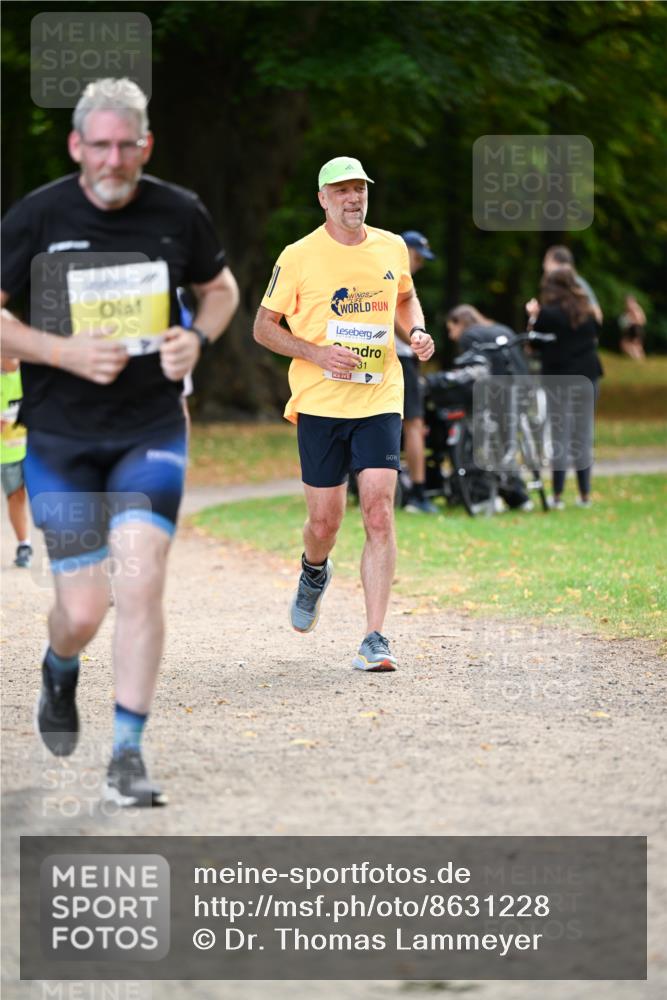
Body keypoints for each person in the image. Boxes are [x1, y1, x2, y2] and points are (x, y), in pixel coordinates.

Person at [0, 78, 239, 806]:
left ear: (145, 146)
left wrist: (195, 340)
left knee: (140, 579)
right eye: (97, 146)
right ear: (77, 146)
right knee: (82, 611)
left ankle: (127, 754)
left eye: (124, 146)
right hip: (63, 440)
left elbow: (221, 289)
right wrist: (59, 351)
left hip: (150, 429)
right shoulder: (38, 216)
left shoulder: (177, 212)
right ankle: (59, 665)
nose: (111, 160)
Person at [253, 156, 434, 672]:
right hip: (320, 402)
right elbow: (263, 328)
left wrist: (415, 331)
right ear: (323, 200)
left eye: (360, 189)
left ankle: (375, 636)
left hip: (379, 394)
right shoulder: (298, 256)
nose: (354, 198)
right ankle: (314, 569)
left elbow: (406, 298)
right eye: (343, 191)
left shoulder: (391, 246)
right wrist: (315, 353)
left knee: (378, 509)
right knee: (324, 521)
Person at [525, 266, 603, 509]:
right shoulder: (588, 311)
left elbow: (533, 345)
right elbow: (596, 335)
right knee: (583, 435)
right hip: (588, 376)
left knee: (560, 434)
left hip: (559, 378)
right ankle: (584, 494)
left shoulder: (548, 314)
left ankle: (558, 495)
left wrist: (532, 318)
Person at [396, 231, 438, 514]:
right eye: (417, 257)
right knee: (414, 424)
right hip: (399, 357)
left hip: (390, 358)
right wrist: (415, 340)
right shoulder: (393, 275)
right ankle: (417, 492)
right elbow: (389, 317)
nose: (419, 264)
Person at [0, 359, 32, 567]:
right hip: (8, 452)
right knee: (16, 496)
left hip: (37, 448)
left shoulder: (33, 373)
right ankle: (24, 545)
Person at [528, 245, 603, 325]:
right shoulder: (555, 285)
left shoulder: (576, 282)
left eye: (546, 261)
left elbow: (597, 315)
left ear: (556, 263)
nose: (543, 265)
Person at [618, 294, 646, 361]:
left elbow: (642, 320)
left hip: (635, 329)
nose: (626, 303)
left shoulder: (634, 308)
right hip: (636, 329)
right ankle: (641, 361)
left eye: (628, 301)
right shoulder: (635, 308)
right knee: (636, 346)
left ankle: (637, 359)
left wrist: (629, 322)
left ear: (632, 301)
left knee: (630, 345)